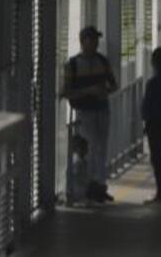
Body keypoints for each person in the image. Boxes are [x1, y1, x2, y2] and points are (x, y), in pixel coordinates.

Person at [61, 26, 118, 203]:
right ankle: (87, 187)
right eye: (91, 39)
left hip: (102, 108)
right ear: (83, 41)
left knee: (101, 148)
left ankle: (99, 185)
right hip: (84, 112)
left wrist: (104, 91)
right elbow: (66, 92)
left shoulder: (102, 61)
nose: (95, 43)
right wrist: (89, 91)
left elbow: (114, 84)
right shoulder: (73, 65)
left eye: (96, 40)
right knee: (89, 149)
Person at [141, 46, 161, 204]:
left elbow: (146, 106)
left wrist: (144, 122)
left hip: (155, 124)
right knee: (157, 156)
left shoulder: (152, 83)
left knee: (156, 157)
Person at [66, 134, 91, 206]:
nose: (87, 151)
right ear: (78, 148)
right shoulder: (77, 161)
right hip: (77, 192)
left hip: (78, 190)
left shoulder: (76, 159)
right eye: (86, 148)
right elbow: (78, 177)